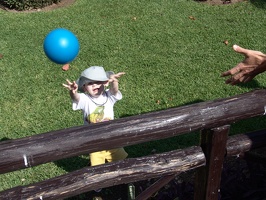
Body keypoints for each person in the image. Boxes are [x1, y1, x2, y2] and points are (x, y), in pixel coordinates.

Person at [63, 66, 128, 166]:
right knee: (97, 166)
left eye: (98, 82)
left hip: (111, 137)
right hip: (94, 140)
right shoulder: (85, 99)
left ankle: (123, 175)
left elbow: (114, 91)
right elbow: (76, 98)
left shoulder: (108, 96)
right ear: (84, 88)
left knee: (121, 161)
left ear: (105, 83)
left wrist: (114, 82)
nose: (94, 85)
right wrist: (73, 92)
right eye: (90, 83)